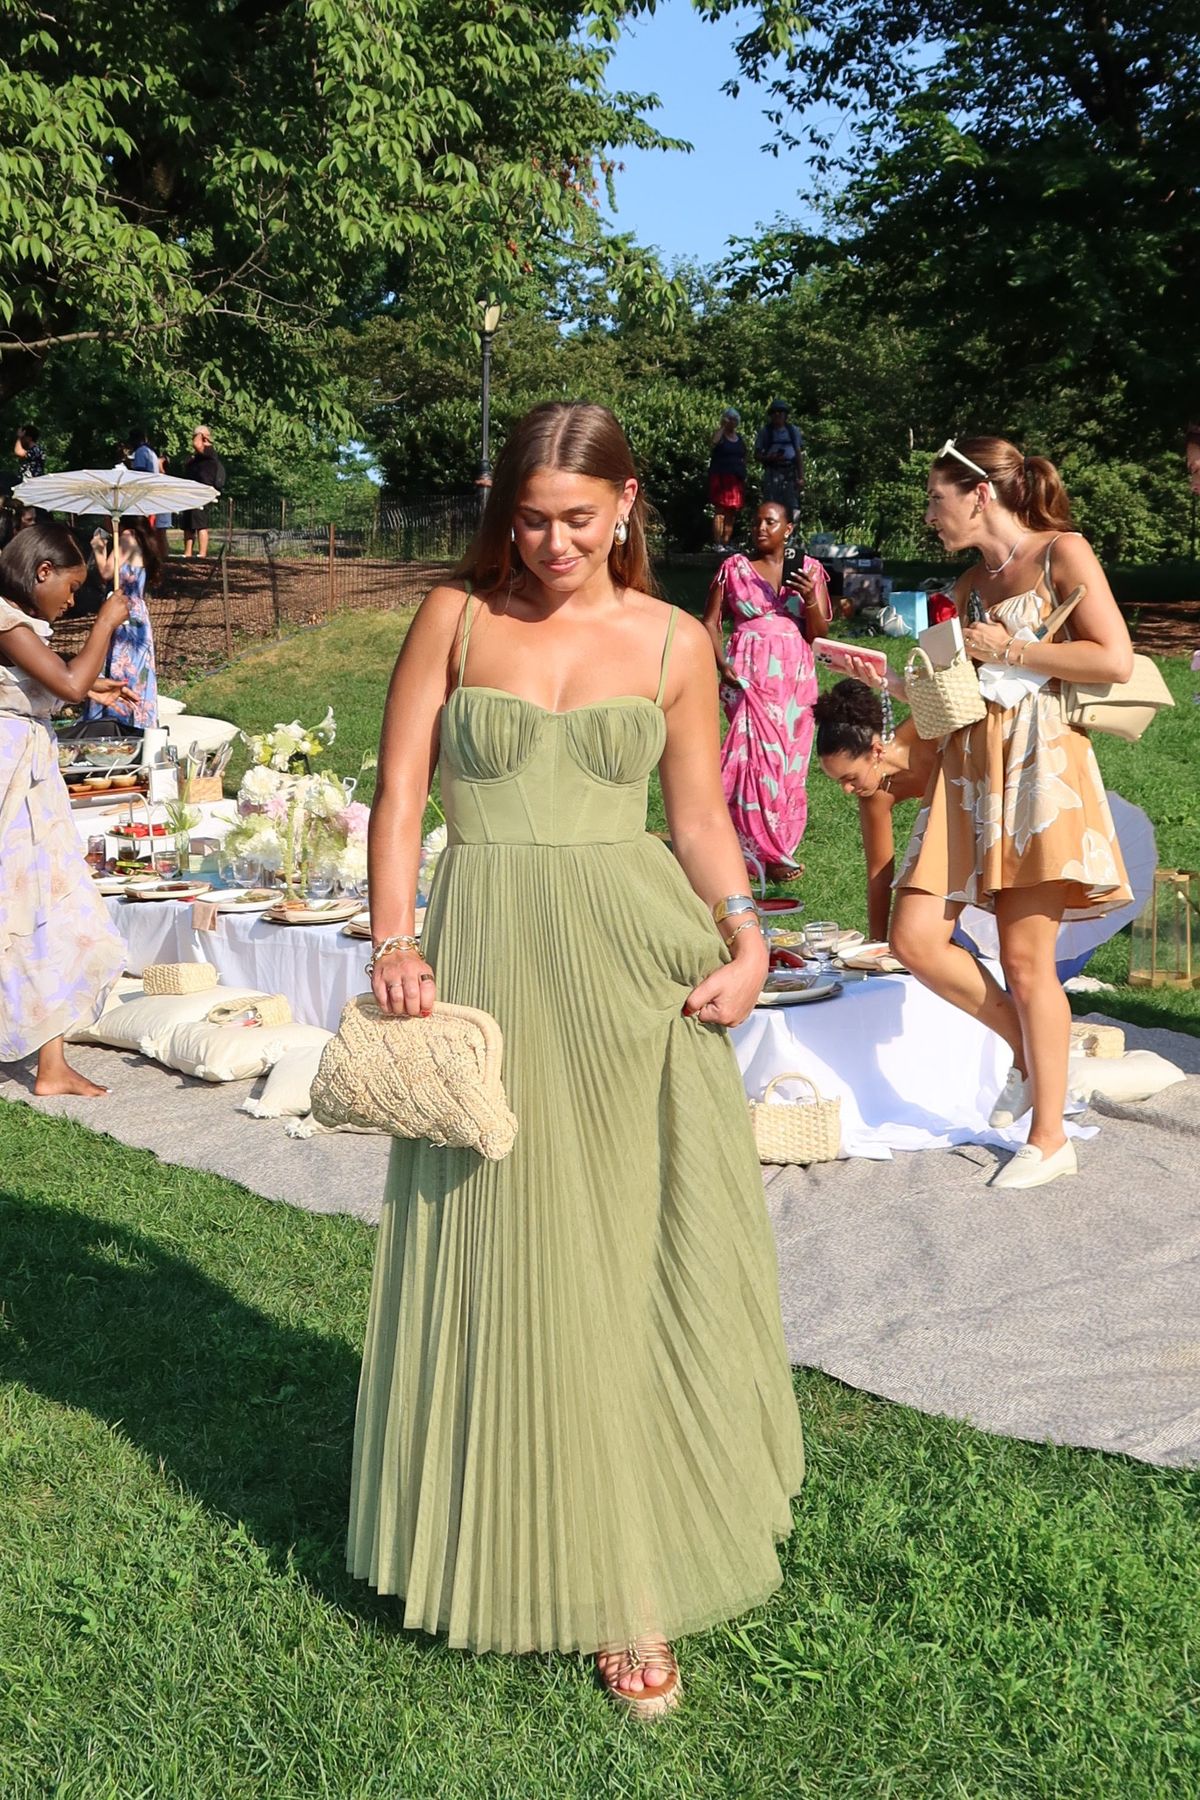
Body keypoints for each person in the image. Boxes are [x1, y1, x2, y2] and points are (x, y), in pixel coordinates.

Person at [352, 400, 803, 1717]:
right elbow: (397, 798)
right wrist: (395, 939)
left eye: (576, 517)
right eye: (529, 517)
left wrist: (747, 936)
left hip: (635, 969)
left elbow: (701, 816)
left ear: (627, 506)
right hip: (487, 956)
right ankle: (493, 1525)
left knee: (625, 1249)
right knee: (502, 1239)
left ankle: (629, 1587)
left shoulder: (673, 637)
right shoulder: (453, 615)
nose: (550, 541)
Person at [887, 436, 1134, 1191]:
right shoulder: (968, 583)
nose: (930, 515)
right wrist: (916, 686)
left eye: (937, 499)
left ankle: (1050, 1136)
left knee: (1029, 965)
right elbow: (968, 684)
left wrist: (1014, 650)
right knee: (913, 937)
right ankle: (1029, 1055)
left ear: (980, 495)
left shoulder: (1063, 553)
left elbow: (1114, 659)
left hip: (1037, 769)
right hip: (969, 767)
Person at [0, 524, 133, 1095]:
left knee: (48, 906)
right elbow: (67, 685)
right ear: (43, 571)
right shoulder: (6, 619)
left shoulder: (20, 624)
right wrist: (105, 620)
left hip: (33, 778)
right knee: (22, 908)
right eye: (72, 589)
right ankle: (46, 1060)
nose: (73, 601)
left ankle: (51, 1065)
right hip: (10, 780)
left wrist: (90, 683)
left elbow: (57, 686)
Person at [703, 500, 832, 882]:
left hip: (794, 680)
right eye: (757, 522)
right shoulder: (734, 568)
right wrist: (721, 665)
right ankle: (736, 847)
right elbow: (710, 622)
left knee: (789, 766)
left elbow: (819, 633)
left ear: (788, 529)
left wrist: (810, 597)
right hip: (748, 677)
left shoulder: (809, 571)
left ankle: (778, 850)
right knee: (751, 764)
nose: (761, 528)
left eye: (770, 522)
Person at [813, 681, 935, 939]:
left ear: (876, 751)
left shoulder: (928, 730)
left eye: (850, 778)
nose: (846, 790)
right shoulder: (874, 795)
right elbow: (879, 873)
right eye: (839, 781)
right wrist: (876, 944)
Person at [83, 520, 160, 729]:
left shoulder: (125, 537)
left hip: (123, 612)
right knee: (135, 666)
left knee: (121, 666)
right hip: (136, 613)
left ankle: (117, 720)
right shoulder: (140, 538)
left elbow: (107, 572)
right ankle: (136, 720)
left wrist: (99, 548)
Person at [181, 426, 225, 558]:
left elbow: (197, 443)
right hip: (192, 491)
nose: (194, 439)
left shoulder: (209, 450)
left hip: (203, 492)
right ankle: (187, 553)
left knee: (200, 523)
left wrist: (200, 435)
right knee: (188, 524)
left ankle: (202, 553)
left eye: (196, 435)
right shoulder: (198, 456)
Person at [128, 427, 171, 564]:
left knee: (146, 526)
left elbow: (140, 474)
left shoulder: (141, 452)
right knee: (155, 528)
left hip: (145, 494)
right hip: (152, 492)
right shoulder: (150, 451)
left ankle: (150, 554)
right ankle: (159, 554)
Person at [753, 400, 803, 513]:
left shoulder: (793, 431)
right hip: (772, 472)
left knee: (792, 506)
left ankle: (792, 530)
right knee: (771, 505)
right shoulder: (765, 431)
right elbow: (757, 455)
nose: (777, 414)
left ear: (785, 415)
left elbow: (798, 453)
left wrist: (801, 478)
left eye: (781, 412)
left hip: (790, 472)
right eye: (774, 412)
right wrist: (769, 458)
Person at [707, 408, 747, 548]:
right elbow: (713, 443)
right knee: (720, 510)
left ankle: (726, 542)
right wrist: (722, 427)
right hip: (720, 477)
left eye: (735, 419)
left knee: (731, 512)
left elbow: (744, 456)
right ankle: (718, 544)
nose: (732, 422)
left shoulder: (739, 438)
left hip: (735, 479)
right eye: (729, 419)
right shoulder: (720, 436)